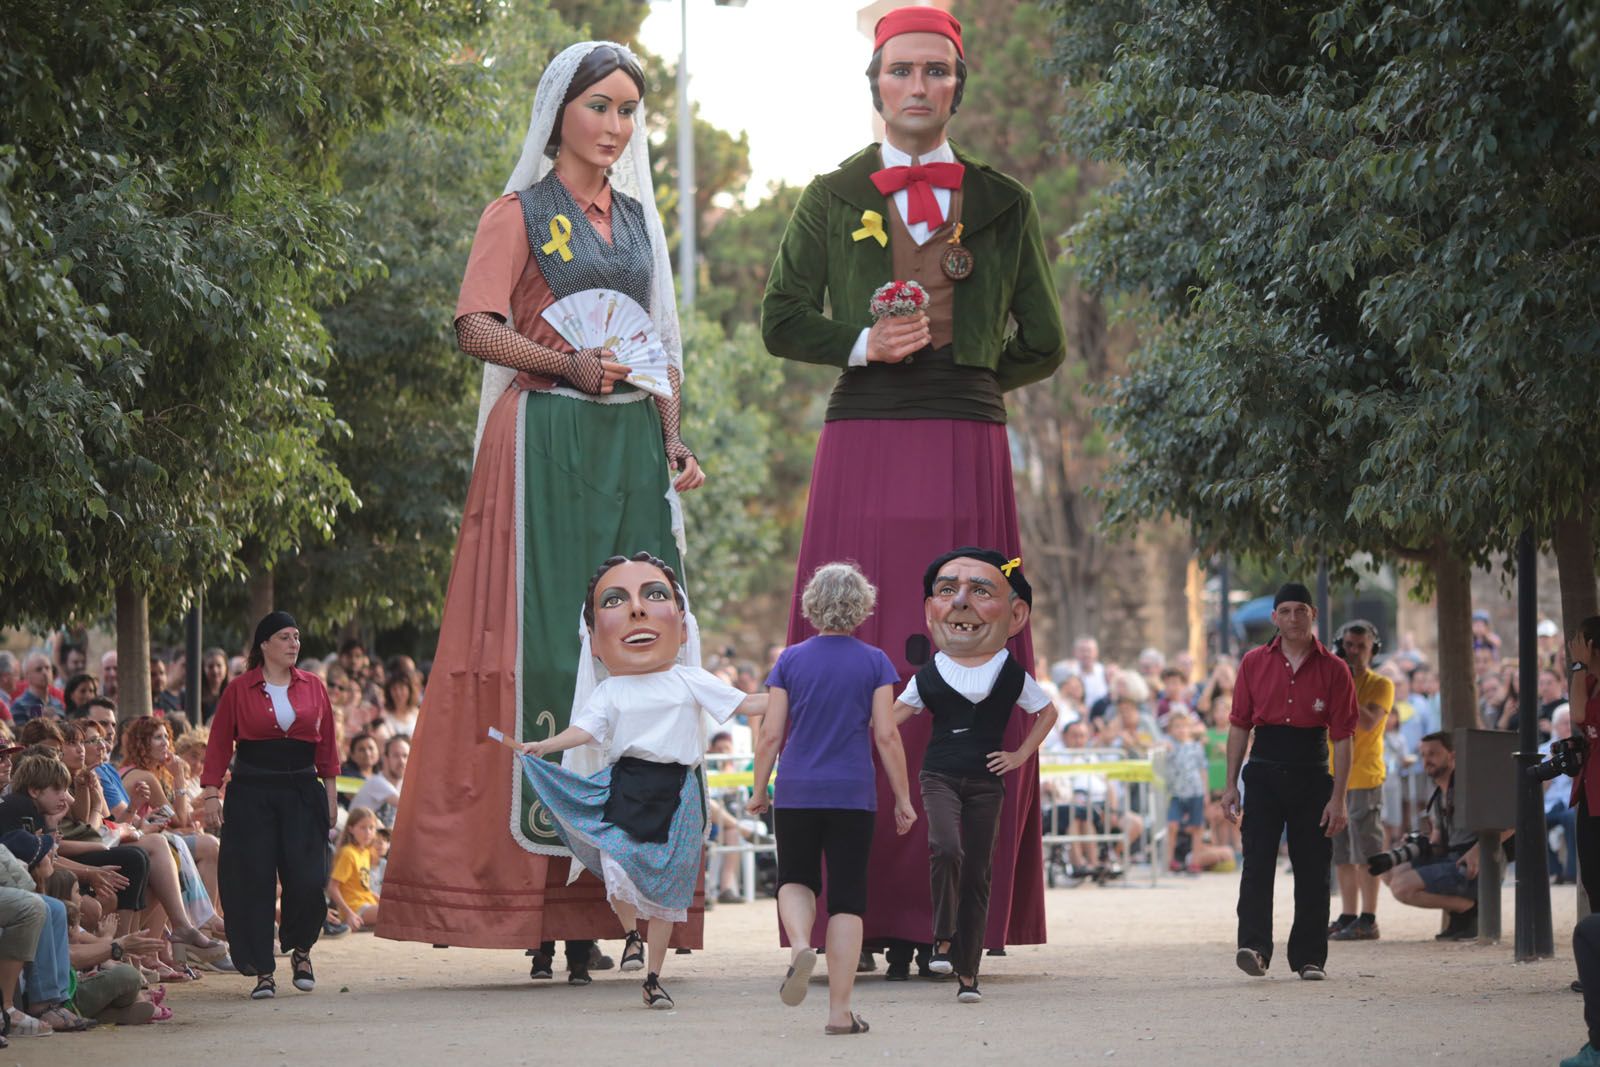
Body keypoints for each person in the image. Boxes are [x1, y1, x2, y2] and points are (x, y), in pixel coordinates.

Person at [381, 40, 706, 962]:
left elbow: (656, 349)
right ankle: (532, 904)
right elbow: (475, 327)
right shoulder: (517, 211)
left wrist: (673, 440)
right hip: (543, 443)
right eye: (600, 105)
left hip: (629, 447)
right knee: (543, 653)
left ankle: (623, 899)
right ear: (559, 111)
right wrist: (563, 362)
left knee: (636, 651)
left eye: (628, 110)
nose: (616, 124)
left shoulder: (638, 221)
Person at [760, 6, 1065, 966]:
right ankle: (858, 907)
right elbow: (780, 318)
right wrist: (861, 343)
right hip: (861, 436)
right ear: (876, 83)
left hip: (966, 436)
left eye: (936, 70)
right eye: (902, 70)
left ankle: (950, 915)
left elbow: (1046, 341)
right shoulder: (831, 193)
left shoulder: (1006, 202)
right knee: (854, 647)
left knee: (972, 646)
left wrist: (967, 367)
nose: (919, 85)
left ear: (958, 84)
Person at [513, 553, 766, 1009]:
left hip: (678, 791)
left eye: (654, 596)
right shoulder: (611, 689)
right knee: (616, 865)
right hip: (626, 785)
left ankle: (653, 977)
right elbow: (583, 731)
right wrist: (543, 746)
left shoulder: (690, 679)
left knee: (668, 889)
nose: (637, 611)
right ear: (594, 640)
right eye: (616, 601)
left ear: (682, 626)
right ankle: (631, 934)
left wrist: (799, 693)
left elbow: (747, 704)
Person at [747, 562, 915, 1035]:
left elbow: (771, 734)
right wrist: (903, 797)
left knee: (795, 877)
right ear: (861, 605)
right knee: (846, 899)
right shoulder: (875, 662)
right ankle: (840, 1013)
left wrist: (759, 790)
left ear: (812, 604)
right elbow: (886, 735)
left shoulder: (790, 661)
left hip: (797, 789)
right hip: (851, 793)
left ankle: (802, 945)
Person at [891, 549, 1057, 1003]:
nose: (962, 602)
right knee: (945, 848)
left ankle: (969, 974)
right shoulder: (930, 673)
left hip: (986, 781)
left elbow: (1047, 712)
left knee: (978, 873)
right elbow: (890, 719)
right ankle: (942, 937)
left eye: (979, 591)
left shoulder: (1010, 671)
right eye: (949, 591)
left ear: (1015, 615)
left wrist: (1020, 755)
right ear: (932, 610)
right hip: (939, 775)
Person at [200, 611, 339, 1000]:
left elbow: (327, 745)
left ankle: (302, 950)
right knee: (253, 881)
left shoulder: (313, 686)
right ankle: (263, 969)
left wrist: (330, 795)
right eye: (285, 637)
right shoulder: (238, 689)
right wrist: (211, 792)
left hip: (303, 791)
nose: (294, 643)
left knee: (308, 879)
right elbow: (218, 744)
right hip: (252, 793)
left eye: (297, 636)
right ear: (264, 644)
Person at [1221, 583, 1356, 981]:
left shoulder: (1335, 669)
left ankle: (1310, 957)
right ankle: (1254, 948)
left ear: (1313, 614)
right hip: (1263, 770)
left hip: (1312, 771)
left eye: (1301, 610)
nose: (1293, 618)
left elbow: (1343, 737)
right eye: (1286, 611)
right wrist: (1230, 785)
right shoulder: (1252, 662)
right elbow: (1239, 725)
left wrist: (1339, 797)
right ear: (1274, 617)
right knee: (1257, 862)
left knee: (1313, 867)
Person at [1381, 732, 1487, 939]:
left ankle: (1470, 909)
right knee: (1390, 871)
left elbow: (1510, 824)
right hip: (1452, 858)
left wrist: (1478, 851)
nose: (1427, 760)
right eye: (1423, 755)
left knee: (1401, 887)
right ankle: (1461, 912)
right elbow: (1437, 844)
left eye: (1433, 753)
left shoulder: (1470, 787)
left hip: (1475, 865)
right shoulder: (1438, 796)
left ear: (1452, 755)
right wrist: (1419, 843)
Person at [1328, 620, 1394, 942]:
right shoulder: (1330, 682)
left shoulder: (1381, 684)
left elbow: (1367, 722)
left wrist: (1347, 680)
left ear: (1373, 650)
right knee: (1341, 854)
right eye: (1349, 646)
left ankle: (1368, 918)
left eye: (1361, 647)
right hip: (1332, 777)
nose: (1353, 652)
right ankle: (1348, 914)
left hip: (1365, 777)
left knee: (1366, 852)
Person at [1566, 618, 1600, 908]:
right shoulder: (1590, 683)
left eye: (1578, 642)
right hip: (1590, 789)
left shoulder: (1583, 676)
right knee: (1591, 874)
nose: (1572, 648)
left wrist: (1578, 665)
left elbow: (1578, 713)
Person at [329, 806, 382, 931]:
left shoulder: (366, 852)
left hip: (368, 903)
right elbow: (332, 887)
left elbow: (362, 887)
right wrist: (349, 913)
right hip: (355, 908)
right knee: (394, 912)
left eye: (371, 828)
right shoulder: (348, 853)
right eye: (363, 827)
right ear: (351, 829)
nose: (368, 832)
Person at [350, 736, 407, 828]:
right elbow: (408, 807)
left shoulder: (403, 786)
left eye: (405, 756)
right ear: (385, 758)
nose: (402, 761)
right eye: (396, 756)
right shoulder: (376, 782)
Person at [10, 654, 63, 725]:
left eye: (47, 668)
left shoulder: (57, 703)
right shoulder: (19, 706)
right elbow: (19, 731)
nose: (45, 672)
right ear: (27, 675)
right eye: (38, 669)